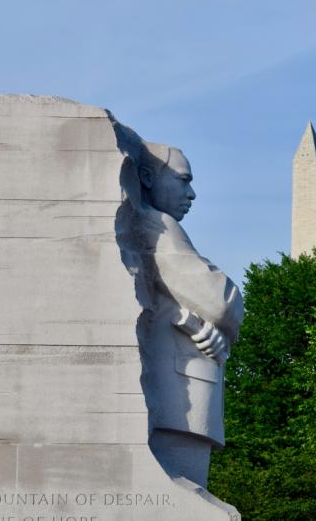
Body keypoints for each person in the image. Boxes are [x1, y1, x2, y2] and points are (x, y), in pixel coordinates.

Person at [115, 140, 243, 489]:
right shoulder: (158, 226)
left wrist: (206, 325)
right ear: (146, 177)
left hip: (183, 384)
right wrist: (225, 309)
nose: (192, 194)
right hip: (181, 390)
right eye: (183, 180)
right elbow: (219, 300)